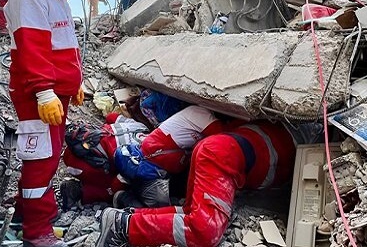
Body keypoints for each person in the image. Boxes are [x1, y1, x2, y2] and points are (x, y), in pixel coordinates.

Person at [4, 0, 83, 247]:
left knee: (45, 156)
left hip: (53, 92)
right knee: (41, 160)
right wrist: (44, 91)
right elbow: (32, 47)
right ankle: (37, 232)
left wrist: (73, 84)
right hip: (37, 93)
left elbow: (64, 45)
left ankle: (25, 217)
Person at [96, 121, 296, 247]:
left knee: (191, 212)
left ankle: (125, 218)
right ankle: (126, 227)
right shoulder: (302, 142)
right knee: (205, 231)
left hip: (214, 149)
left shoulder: (282, 132)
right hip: (221, 154)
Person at [112, 105, 234, 208]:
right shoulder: (202, 114)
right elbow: (224, 137)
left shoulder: (196, 112)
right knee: (156, 212)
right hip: (154, 168)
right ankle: (124, 199)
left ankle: (126, 190)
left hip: (156, 164)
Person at [61, 114, 156, 209]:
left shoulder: (139, 126)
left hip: (79, 145)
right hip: (79, 165)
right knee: (108, 192)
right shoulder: (139, 158)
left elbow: (111, 116)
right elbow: (119, 181)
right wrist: (111, 191)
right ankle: (79, 192)